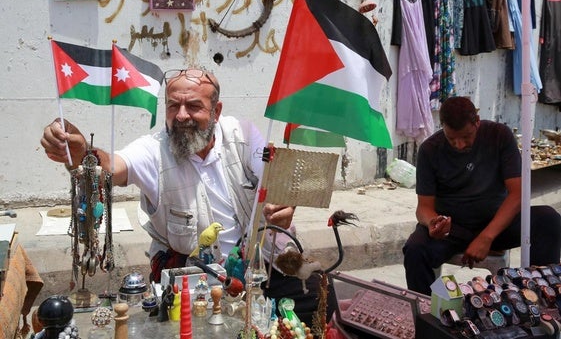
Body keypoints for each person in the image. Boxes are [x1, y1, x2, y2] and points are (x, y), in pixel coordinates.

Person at [41, 67, 333, 326]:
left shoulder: (242, 133)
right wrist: (82, 154)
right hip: (196, 279)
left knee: (320, 306)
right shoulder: (153, 150)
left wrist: (285, 200)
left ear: (216, 112)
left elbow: (274, 176)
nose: (181, 116)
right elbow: (111, 167)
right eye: (173, 106)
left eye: (194, 106)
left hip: (265, 266)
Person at [402, 96, 561, 295]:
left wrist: (487, 236)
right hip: (453, 230)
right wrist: (433, 222)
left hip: (497, 224)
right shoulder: (429, 150)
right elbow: (423, 206)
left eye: (466, 137)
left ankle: (540, 297)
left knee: (549, 220)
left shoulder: (499, 136)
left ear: (477, 122)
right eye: (452, 138)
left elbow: (517, 194)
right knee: (415, 250)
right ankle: (427, 316)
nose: (459, 144)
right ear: (442, 127)